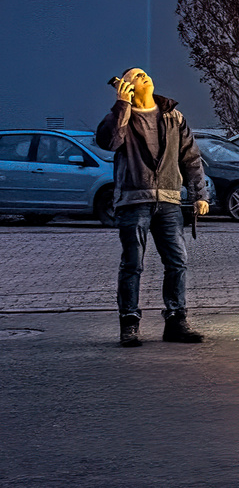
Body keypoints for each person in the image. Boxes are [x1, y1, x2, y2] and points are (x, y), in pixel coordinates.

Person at [95, 68, 212, 347]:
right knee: (133, 264)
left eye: (144, 73)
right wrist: (122, 106)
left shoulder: (173, 116)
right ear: (126, 86)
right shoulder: (120, 117)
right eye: (135, 75)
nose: (143, 75)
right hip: (134, 201)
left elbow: (191, 158)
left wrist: (200, 194)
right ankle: (130, 323)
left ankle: (175, 321)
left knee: (177, 261)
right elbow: (109, 141)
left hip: (169, 201)